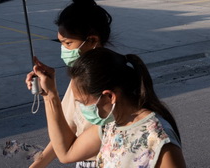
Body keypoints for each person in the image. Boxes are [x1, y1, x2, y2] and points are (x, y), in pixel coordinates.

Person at [31, 47, 187, 168]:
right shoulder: (110, 126)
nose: (83, 109)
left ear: (109, 97)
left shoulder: (159, 140)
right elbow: (65, 153)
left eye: (84, 103)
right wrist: (50, 95)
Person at [25, 0, 113, 168]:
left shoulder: (111, 80)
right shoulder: (80, 77)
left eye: (68, 43)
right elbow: (68, 131)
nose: (64, 50)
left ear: (92, 40)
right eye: (61, 43)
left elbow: (66, 152)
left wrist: (50, 96)